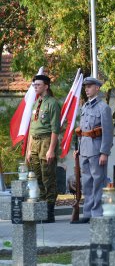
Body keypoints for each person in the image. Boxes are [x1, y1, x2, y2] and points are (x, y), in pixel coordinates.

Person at [71, 77, 113, 224]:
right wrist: (78, 149)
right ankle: (87, 213)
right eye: (85, 87)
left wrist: (104, 152)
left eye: (89, 86)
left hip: (97, 150)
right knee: (86, 183)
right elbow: (81, 130)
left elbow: (107, 132)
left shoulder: (103, 108)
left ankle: (97, 213)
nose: (86, 89)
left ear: (97, 88)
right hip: (85, 150)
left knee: (98, 182)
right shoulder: (85, 107)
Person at [26, 74, 61, 223]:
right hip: (34, 142)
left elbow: (55, 129)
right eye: (34, 85)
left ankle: (49, 212)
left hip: (46, 141)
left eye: (38, 85)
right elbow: (31, 129)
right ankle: (41, 209)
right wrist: (28, 149)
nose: (35, 87)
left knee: (48, 176)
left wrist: (51, 149)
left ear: (46, 86)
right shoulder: (36, 103)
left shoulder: (52, 103)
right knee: (36, 175)